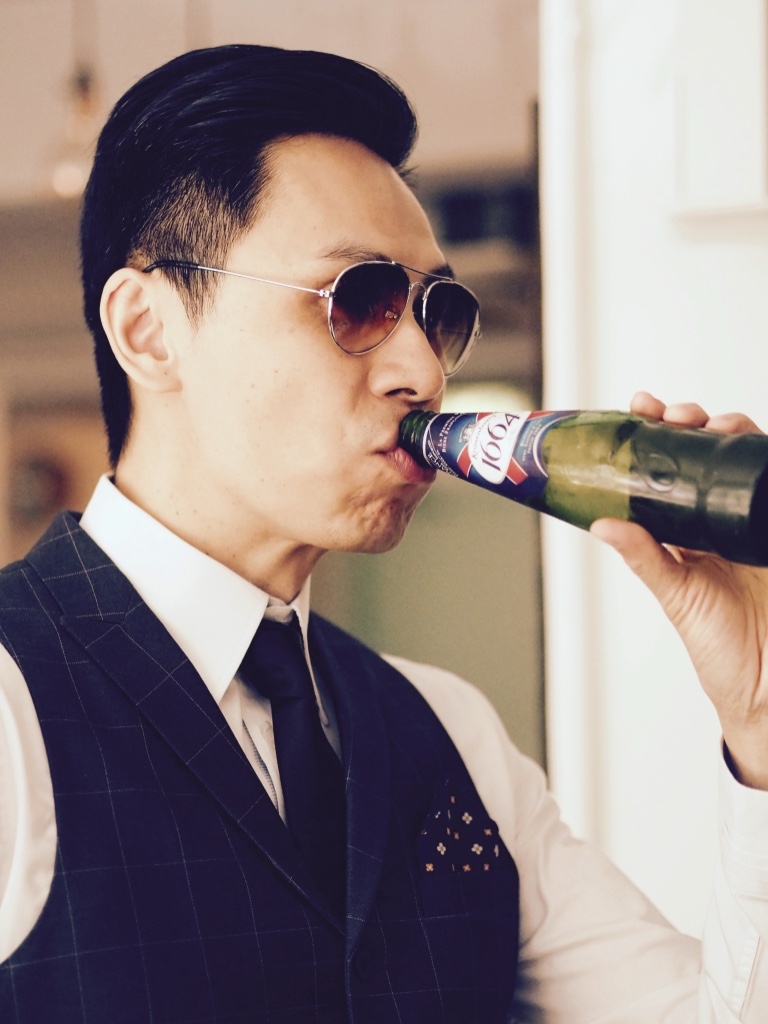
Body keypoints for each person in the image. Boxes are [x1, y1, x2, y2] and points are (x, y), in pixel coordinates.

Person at [0, 43, 766, 1024]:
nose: (424, 369)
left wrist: (759, 715)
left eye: (435, 313)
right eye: (356, 298)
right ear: (148, 329)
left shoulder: (449, 730)